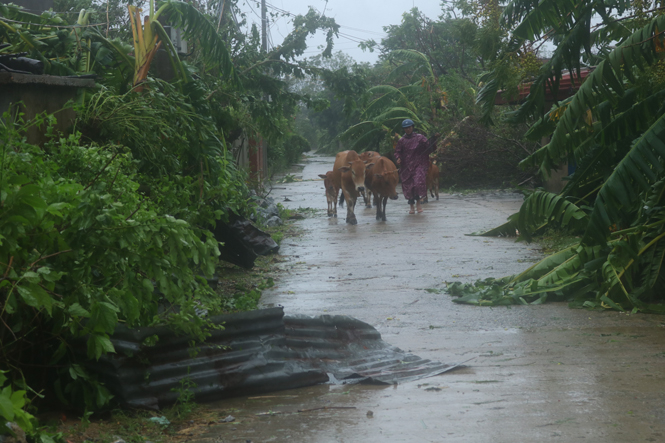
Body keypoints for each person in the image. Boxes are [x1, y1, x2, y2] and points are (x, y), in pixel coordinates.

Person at [394, 119, 438, 214]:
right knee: (408, 186)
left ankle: (418, 204)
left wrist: (434, 139)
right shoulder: (402, 140)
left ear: (412, 127)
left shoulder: (420, 138)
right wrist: (398, 158)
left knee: (418, 183)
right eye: (406, 128)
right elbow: (397, 152)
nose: (408, 130)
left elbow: (429, 147)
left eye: (409, 127)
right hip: (406, 166)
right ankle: (411, 206)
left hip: (419, 164)